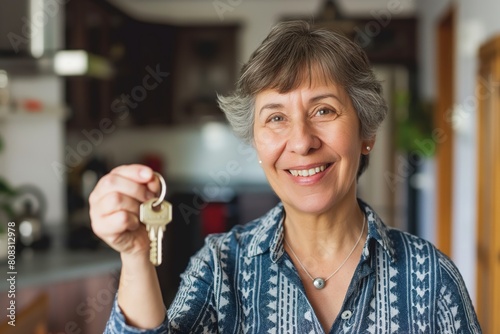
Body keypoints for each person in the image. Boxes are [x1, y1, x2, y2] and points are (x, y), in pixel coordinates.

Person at [91, 20, 481, 333]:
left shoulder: (430, 277)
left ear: (366, 133)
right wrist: (136, 255)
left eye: (324, 110)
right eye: (276, 117)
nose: (301, 141)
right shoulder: (220, 267)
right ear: (257, 143)